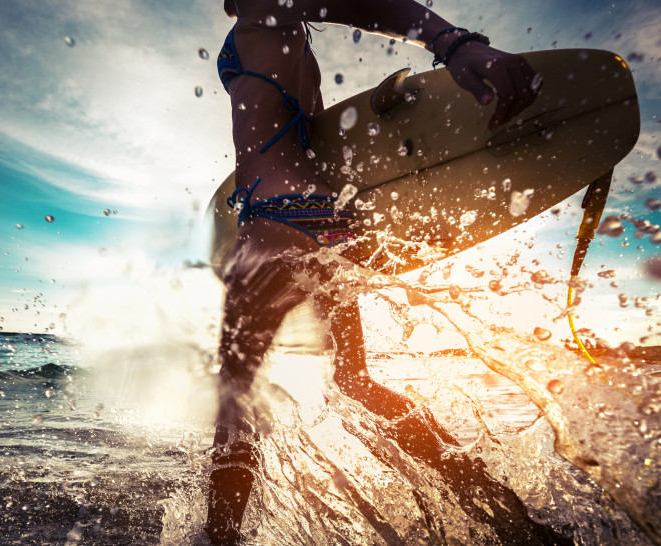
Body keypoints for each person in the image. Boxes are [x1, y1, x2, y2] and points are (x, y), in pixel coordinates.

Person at [207, 0, 542, 543]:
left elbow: (359, 3)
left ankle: (218, 539)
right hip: (329, 220)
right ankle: (507, 517)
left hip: (273, 220)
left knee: (233, 399)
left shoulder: (268, 11)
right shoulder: (293, 44)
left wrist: (454, 44)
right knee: (355, 379)